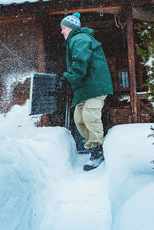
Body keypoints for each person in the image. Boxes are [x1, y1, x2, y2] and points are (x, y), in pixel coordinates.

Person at [59, 12, 113, 171]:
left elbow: (80, 62)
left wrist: (67, 77)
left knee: (90, 115)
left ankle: (97, 150)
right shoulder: (75, 40)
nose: (61, 32)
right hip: (85, 89)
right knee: (79, 120)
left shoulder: (79, 39)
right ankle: (95, 147)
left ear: (71, 28)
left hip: (95, 86)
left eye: (63, 28)